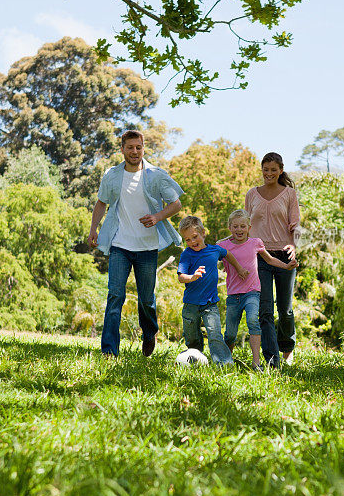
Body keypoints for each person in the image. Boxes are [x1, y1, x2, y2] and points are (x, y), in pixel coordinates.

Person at [88, 130, 183, 358]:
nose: (134, 152)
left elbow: (176, 204)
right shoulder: (112, 175)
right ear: (122, 149)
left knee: (146, 300)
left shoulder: (155, 175)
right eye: (129, 147)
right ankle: (109, 350)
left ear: (143, 147)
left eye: (138, 147)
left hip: (147, 248)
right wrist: (93, 229)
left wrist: (157, 217)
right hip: (120, 245)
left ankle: (149, 334)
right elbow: (101, 203)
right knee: (115, 296)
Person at [217, 209, 298, 371]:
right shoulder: (222, 246)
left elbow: (270, 259)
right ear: (229, 228)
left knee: (254, 322)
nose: (239, 230)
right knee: (230, 333)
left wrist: (286, 266)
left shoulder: (255, 242)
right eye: (235, 227)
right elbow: (211, 255)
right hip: (233, 294)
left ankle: (256, 363)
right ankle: (226, 361)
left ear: (249, 227)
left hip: (252, 292)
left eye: (242, 226)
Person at [244, 152, 301, 368]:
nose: (269, 174)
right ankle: (271, 358)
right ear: (262, 170)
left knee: (284, 308)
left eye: (273, 170)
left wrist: (294, 246)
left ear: (280, 171)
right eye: (265, 170)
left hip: (285, 256)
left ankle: (287, 349)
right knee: (264, 309)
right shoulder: (252, 194)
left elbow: (295, 225)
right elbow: (245, 225)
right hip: (259, 256)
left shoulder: (289, 194)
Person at [177, 215, 248, 366]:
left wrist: (239, 268)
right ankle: (194, 360)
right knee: (192, 337)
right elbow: (181, 277)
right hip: (191, 304)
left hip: (210, 304)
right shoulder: (186, 254)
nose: (192, 242)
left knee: (215, 334)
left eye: (194, 237)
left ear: (203, 232)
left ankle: (224, 363)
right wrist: (192, 277)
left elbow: (227, 254)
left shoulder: (214, 250)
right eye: (187, 240)